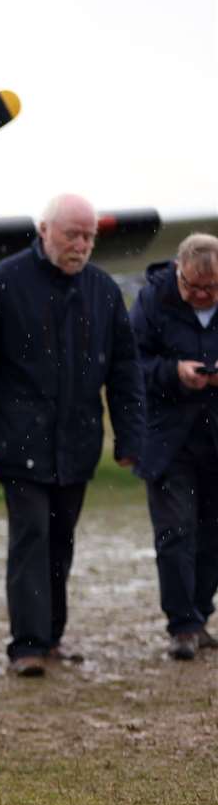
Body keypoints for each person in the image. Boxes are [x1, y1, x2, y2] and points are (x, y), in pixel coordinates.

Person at [0, 194, 143, 677]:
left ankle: (53, 634)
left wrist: (130, 438)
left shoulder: (103, 291)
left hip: (77, 443)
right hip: (19, 442)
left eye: (89, 237)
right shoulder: (6, 280)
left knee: (61, 539)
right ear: (45, 230)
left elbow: (125, 371)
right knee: (32, 535)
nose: (80, 245)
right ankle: (27, 645)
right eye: (72, 235)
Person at [130, 233, 218, 661]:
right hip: (167, 437)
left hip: (215, 434)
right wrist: (173, 373)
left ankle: (200, 614)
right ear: (178, 271)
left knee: (212, 533)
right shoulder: (152, 302)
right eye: (192, 287)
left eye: (211, 289)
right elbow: (131, 363)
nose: (200, 295)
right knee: (175, 531)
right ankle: (181, 625)